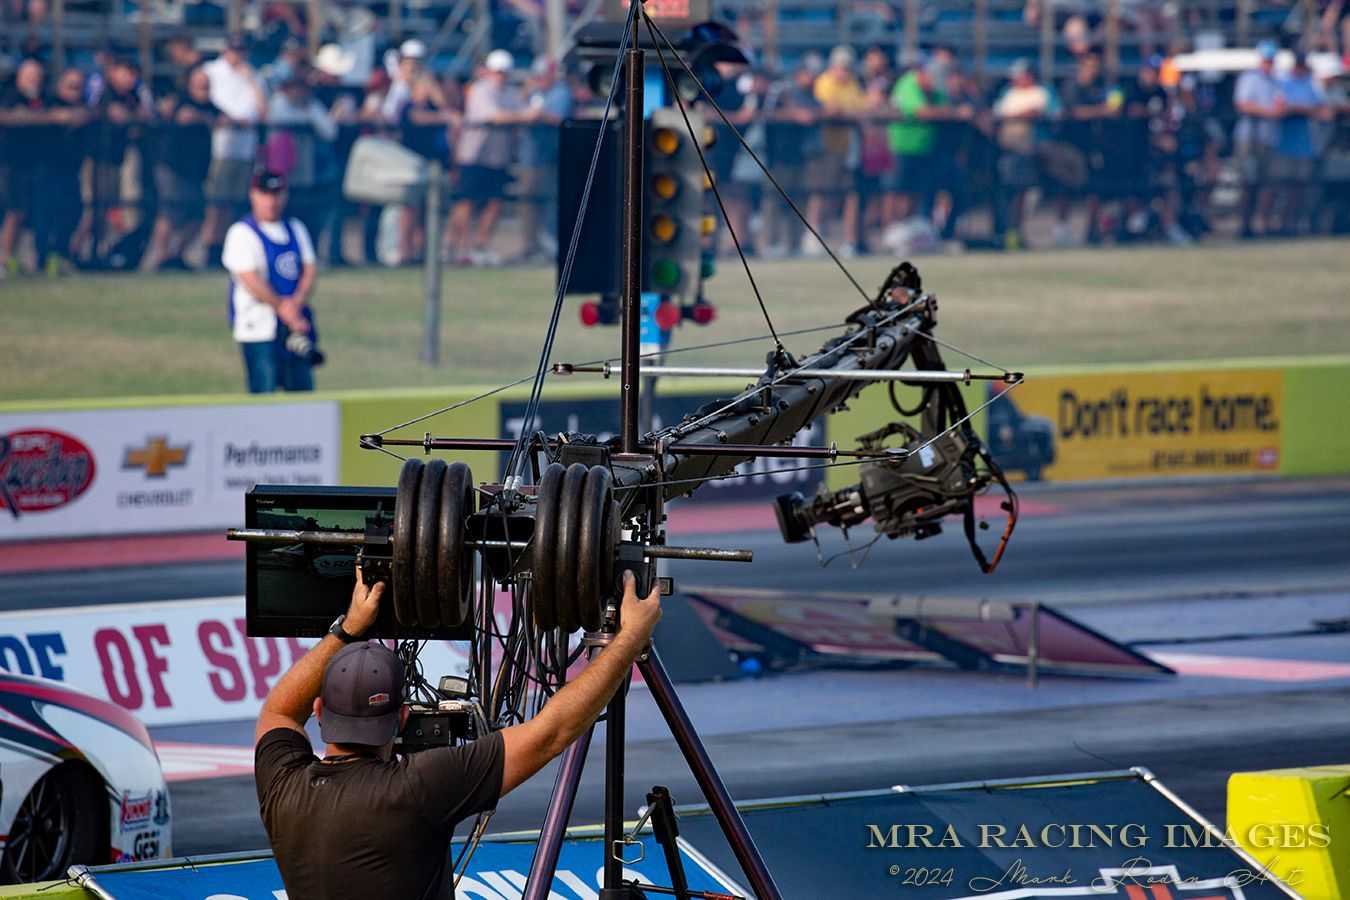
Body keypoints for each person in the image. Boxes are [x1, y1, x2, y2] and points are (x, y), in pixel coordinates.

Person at [255, 568, 662, 898]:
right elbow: (551, 732)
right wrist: (629, 638)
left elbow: (278, 711)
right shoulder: (417, 787)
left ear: (320, 710)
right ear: (401, 719)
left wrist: (348, 629)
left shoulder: (283, 784)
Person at [223, 171, 320, 393]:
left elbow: (309, 269)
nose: (271, 201)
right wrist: (282, 307)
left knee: (302, 391)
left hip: (295, 326)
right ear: (253, 196)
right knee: (264, 391)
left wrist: (296, 304)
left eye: (276, 194)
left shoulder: (295, 228)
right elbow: (250, 278)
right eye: (265, 194)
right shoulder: (242, 233)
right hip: (258, 327)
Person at [443, 49, 539, 267]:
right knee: (466, 200)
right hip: (474, 155)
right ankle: (458, 247)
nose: (500, 76)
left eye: (504, 72)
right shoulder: (480, 90)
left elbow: (520, 109)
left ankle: (479, 246)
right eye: (497, 72)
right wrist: (525, 115)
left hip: (498, 157)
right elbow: (495, 116)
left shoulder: (509, 92)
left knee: (495, 201)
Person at [203, 34, 269, 264]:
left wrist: (251, 81)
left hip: (245, 147)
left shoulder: (253, 75)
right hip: (221, 146)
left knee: (235, 202)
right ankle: (210, 250)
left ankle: (225, 250)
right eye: (234, 50)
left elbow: (263, 113)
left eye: (242, 51)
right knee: (216, 201)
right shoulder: (212, 71)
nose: (238, 56)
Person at [1231, 40, 1282, 237]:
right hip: (1249, 138)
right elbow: (1242, 104)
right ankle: (1243, 225)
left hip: (1268, 138)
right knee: (1247, 182)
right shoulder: (1250, 78)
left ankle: (1264, 224)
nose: (1269, 64)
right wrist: (1268, 112)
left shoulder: (1276, 80)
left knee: (1266, 184)